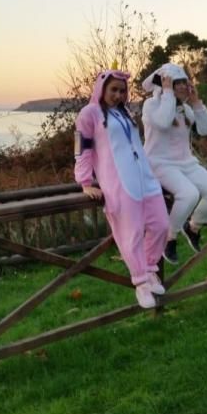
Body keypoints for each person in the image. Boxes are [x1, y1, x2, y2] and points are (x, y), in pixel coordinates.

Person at [75, 66, 170, 309]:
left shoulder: (125, 113)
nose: (118, 95)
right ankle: (140, 283)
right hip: (119, 184)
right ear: (102, 89)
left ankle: (150, 269)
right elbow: (82, 150)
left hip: (145, 180)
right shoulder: (89, 114)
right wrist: (85, 182)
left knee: (160, 224)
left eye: (122, 91)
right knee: (132, 234)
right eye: (114, 90)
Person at [141, 63, 207, 264]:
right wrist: (168, 94)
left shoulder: (186, 110)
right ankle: (168, 238)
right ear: (164, 85)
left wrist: (197, 103)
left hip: (186, 164)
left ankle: (193, 227)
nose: (182, 87)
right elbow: (163, 122)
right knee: (189, 194)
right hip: (159, 163)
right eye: (176, 83)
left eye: (183, 83)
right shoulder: (151, 106)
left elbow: (206, 130)